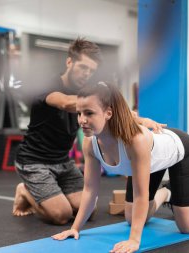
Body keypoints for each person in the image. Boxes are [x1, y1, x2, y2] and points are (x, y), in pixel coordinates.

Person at [52, 82, 189, 253]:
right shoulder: (90, 143)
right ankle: (167, 193)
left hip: (180, 151)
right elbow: (90, 190)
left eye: (89, 113)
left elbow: (141, 195)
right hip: (151, 161)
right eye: (79, 113)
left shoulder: (134, 141)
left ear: (108, 113)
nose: (82, 120)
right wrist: (75, 228)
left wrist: (135, 240)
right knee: (131, 217)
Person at [13, 38, 166, 224]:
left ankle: (53, 193)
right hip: (34, 161)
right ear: (69, 62)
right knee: (60, 215)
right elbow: (66, 102)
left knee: (88, 210)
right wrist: (100, 99)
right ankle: (25, 190)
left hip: (62, 161)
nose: (87, 74)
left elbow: (109, 111)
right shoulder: (48, 87)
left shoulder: (87, 91)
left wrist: (142, 120)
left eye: (91, 70)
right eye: (83, 67)